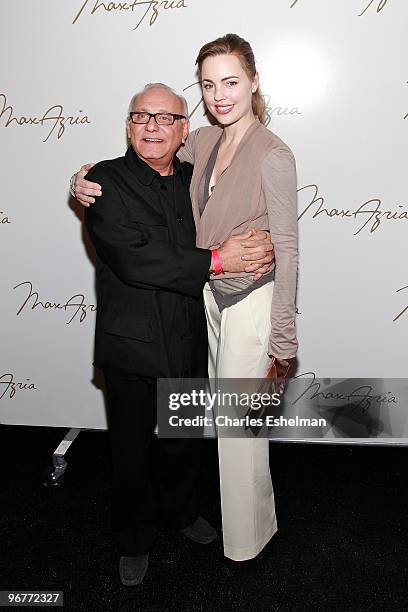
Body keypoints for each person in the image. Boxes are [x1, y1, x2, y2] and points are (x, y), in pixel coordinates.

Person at [72, 33, 298, 563]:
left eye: (231, 82)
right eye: (141, 117)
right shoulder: (123, 175)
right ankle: (134, 539)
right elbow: (134, 256)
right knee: (130, 448)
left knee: (197, 437)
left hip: (202, 323)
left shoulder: (229, 159)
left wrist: (283, 337)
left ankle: (196, 519)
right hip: (136, 339)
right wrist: (78, 177)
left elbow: (283, 242)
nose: (154, 127)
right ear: (129, 124)